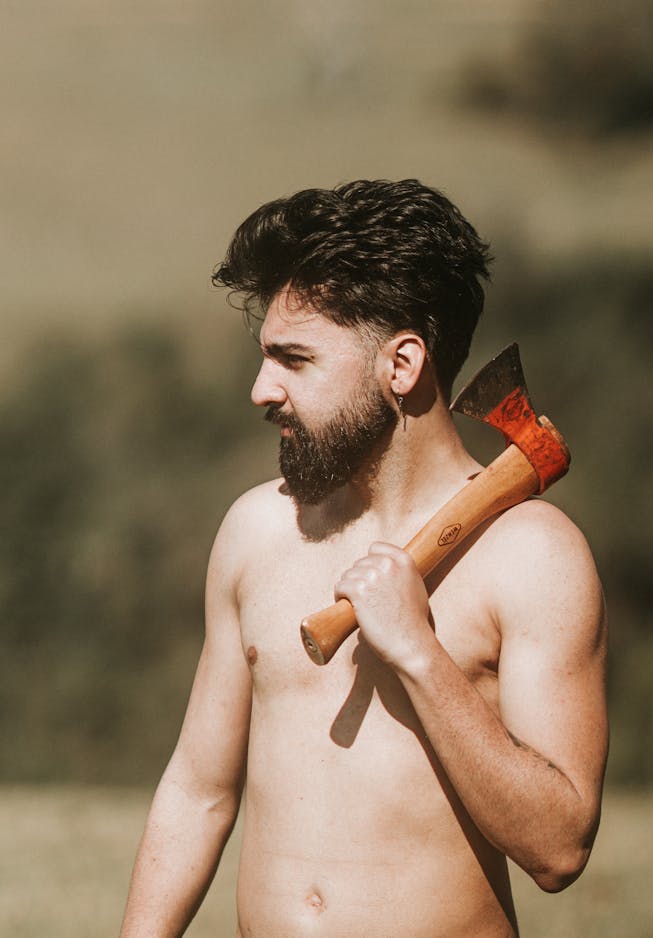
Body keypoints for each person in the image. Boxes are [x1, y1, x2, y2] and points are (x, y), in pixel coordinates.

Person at [119, 179, 608, 937]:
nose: (260, 390)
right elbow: (198, 790)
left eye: (295, 359)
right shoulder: (257, 531)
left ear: (403, 365)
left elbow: (559, 846)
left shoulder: (534, 557)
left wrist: (419, 652)